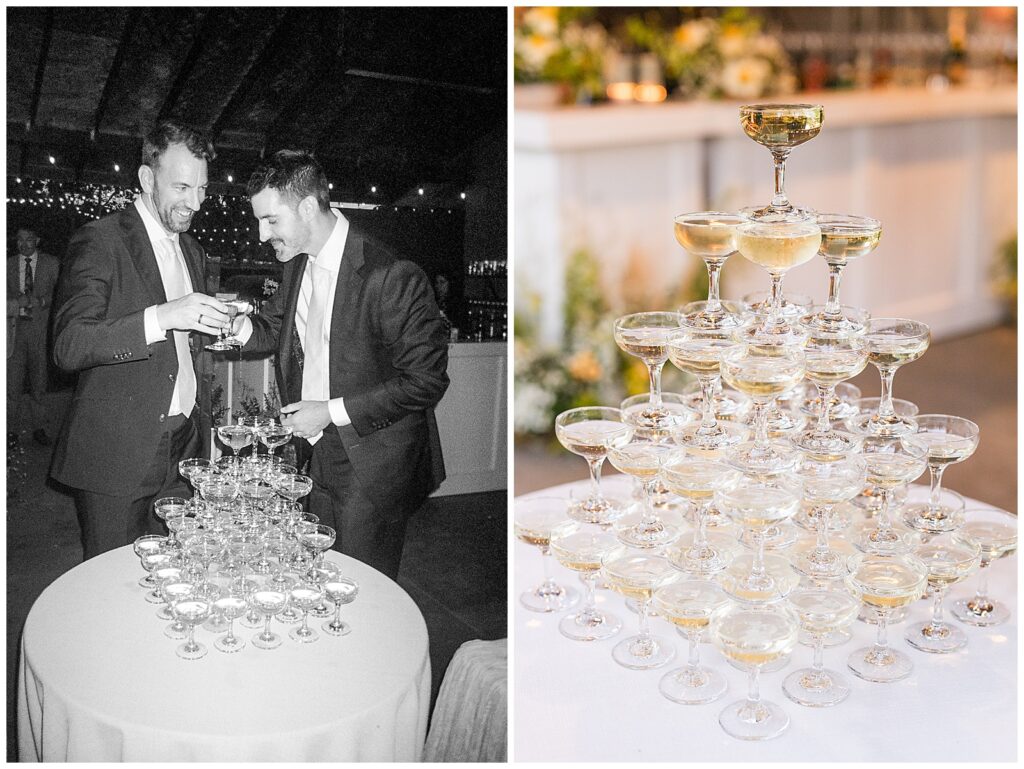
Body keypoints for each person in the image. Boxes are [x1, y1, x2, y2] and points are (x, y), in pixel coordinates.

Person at [235, 149, 449, 580]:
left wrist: (329, 411)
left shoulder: (392, 275)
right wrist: (233, 326)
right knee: (319, 575)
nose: (262, 234)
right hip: (315, 454)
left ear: (309, 207)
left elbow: (426, 381)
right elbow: (272, 328)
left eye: (271, 220)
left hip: (374, 466)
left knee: (363, 590)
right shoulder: (298, 266)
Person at [50, 120, 232, 560]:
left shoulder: (192, 250)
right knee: (112, 591)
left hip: (184, 443)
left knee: (173, 581)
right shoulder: (100, 239)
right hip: (119, 452)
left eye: (203, 189)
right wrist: (162, 317)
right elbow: (69, 344)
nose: (196, 202)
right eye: (183, 187)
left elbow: (181, 351)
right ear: (147, 178)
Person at [6, 225, 61, 446]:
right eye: (19, 240)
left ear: (37, 240)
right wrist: (13, 303)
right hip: (15, 332)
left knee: (39, 383)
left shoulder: (51, 263)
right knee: (12, 385)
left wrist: (40, 301)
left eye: (28, 239)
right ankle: (10, 431)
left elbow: (60, 295)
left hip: (40, 332)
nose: (23, 244)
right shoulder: (7, 265)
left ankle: (39, 427)